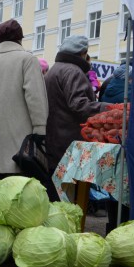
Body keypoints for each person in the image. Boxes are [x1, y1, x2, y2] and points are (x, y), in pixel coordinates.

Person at [0, 19, 48, 179]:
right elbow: (35, 96)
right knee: (22, 194)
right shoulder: (27, 59)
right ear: (20, 38)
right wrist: (40, 127)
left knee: (1, 193)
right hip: (23, 145)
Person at [44, 35, 110, 174]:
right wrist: (106, 108)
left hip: (54, 136)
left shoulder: (54, 69)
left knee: (56, 186)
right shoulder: (73, 71)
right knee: (70, 189)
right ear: (83, 53)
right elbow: (79, 105)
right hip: (68, 138)